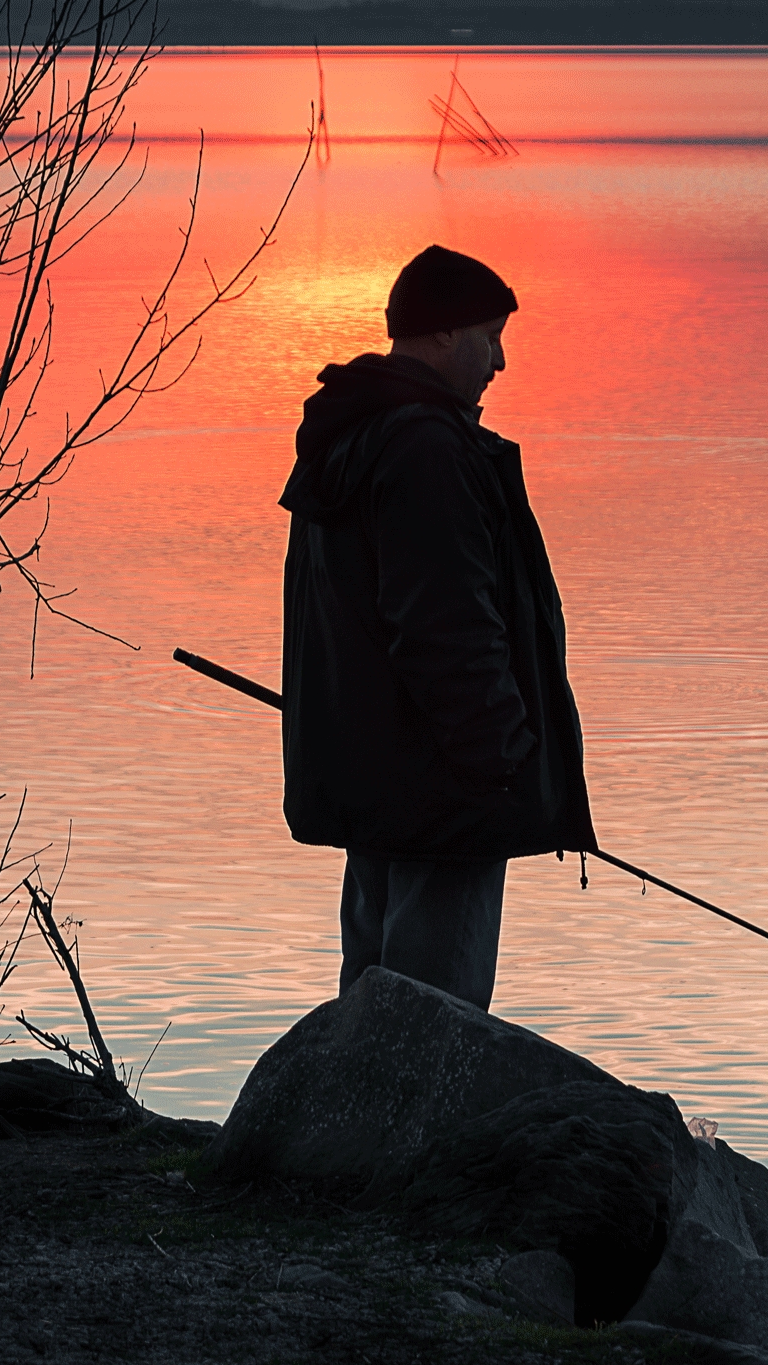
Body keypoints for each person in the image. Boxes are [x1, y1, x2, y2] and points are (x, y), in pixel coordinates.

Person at [278, 245, 596, 1011]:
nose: (500, 362)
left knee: (374, 1006)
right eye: (491, 338)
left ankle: (354, 1098)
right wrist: (503, 759)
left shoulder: (351, 435)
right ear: (447, 333)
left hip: (380, 784)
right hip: (447, 796)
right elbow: (444, 625)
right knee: (433, 1018)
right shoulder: (425, 448)